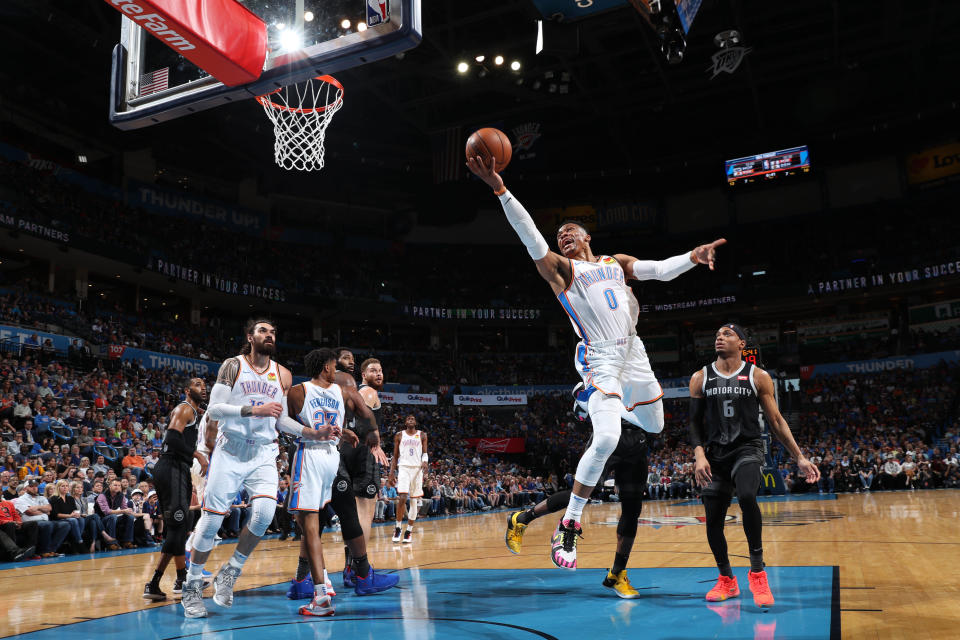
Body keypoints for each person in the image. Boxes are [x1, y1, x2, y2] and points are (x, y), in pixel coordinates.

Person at [468, 154, 725, 570]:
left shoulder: (615, 264)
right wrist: (501, 189)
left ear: (588, 236)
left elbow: (657, 270)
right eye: (560, 233)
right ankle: (569, 524)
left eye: (571, 230)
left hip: (634, 353)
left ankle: (595, 404)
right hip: (600, 357)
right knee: (605, 439)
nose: (564, 235)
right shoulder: (562, 270)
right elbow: (531, 236)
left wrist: (691, 258)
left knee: (656, 424)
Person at [180, 319, 332, 618]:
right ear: (250, 337)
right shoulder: (232, 366)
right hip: (230, 449)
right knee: (210, 523)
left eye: (273, 332)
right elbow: (214, 410)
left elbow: (281, 419)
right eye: (263, 331)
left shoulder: (282, 374)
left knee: (263, 515)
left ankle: (230, 572)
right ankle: (192, 584)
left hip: (263, 451)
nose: (270, 335)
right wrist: (254, 409)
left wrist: (310, 432)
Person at [688, 324, 820, 608]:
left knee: (747, 496)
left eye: (727, 334)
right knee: (712, 520)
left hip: (747, 449)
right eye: (717, 334)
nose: (719, 337)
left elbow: (776, 421)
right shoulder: (700, 377)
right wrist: (699, 455)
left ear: (742, 343)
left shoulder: (757, 376)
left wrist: (799, 456)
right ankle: (726, 579)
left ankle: (758, 573)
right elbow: (693, 423)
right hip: (714, 454)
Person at [286, 350, 399, 606]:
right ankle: (360, 574)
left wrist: (340, 431)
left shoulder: (299, 390)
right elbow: (365, 414)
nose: (345, 362)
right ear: (328, 366)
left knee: (314, 518)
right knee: (345, 512)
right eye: (340, 360)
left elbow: (285, 421)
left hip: (312, 452)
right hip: (319, 455)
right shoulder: (345, 384)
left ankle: (304, 580)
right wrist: (373, 438)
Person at [504, 421, 649, 597]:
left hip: (638, 442)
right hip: (608, 434)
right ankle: (524, 518)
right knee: (584, 492)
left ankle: (617, 574)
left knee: (633, 508)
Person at [144, 378, 208, 601]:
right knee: (179, 526)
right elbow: (171, 439)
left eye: (204, 385)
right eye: (198, 384)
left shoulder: (194, 413)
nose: (203, 387)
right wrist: (198, 454)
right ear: (187, 390)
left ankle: (157, 584)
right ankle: (183, 580)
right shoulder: (185, 408)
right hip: (172, 468)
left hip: (174, 469)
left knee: (176, 528)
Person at [355, 358, 388, 544]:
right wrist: (375, 443)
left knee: (359, 511)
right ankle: (361, 568)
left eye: (380, 370)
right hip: (365, 454)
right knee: (366, 512)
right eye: (373, 370)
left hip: (356, 452)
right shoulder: (368, 392)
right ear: (364, 375)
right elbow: (362, 421)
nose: (378, 374)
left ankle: (354, 565)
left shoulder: (358, 392)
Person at [388, 414, 428, 544]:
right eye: (408, 419)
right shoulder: (399, 435)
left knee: (414, 502)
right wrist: (391, 473)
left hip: (417, 469)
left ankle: (409, 531)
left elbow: (425, 453)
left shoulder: (422, 435)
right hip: (404, 467)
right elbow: (395, 456)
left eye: (412, 418)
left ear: (415, 422)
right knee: (403, 497)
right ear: (405, 422)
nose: (410, 420)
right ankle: (398, 528)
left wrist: (425, 462)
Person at [15, 477, 71, 557]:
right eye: (31, 486)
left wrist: (36, 508)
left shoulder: (42, 497)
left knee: (65, 525)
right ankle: (44, 551)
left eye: (36, 486)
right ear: (25, 488)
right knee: (47, 525)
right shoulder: (21, 499)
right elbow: (29, 512)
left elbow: (49, 509)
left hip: (45, 521)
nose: (34, 488)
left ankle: (52, 550)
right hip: (31, 523)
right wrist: (43, 510)